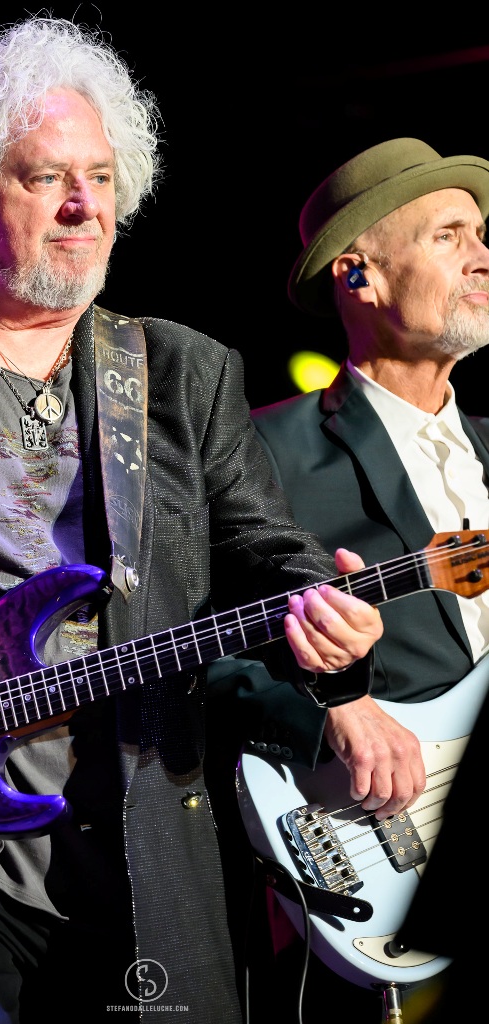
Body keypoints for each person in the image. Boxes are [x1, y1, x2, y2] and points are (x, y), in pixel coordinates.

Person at [0, 17, 384, 1024]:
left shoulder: (180, 372)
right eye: (46, 178)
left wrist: (322, 621)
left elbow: (265, 551)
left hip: (134, 855)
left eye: (102, 178)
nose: (84, 205)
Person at [213, 138, 488, 1021]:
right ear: (358, 274)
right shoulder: (260, 449)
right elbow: (188, 649)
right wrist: (330, 710)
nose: (482, 257)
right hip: (379, 850)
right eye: (448, 235)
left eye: (480, 235)